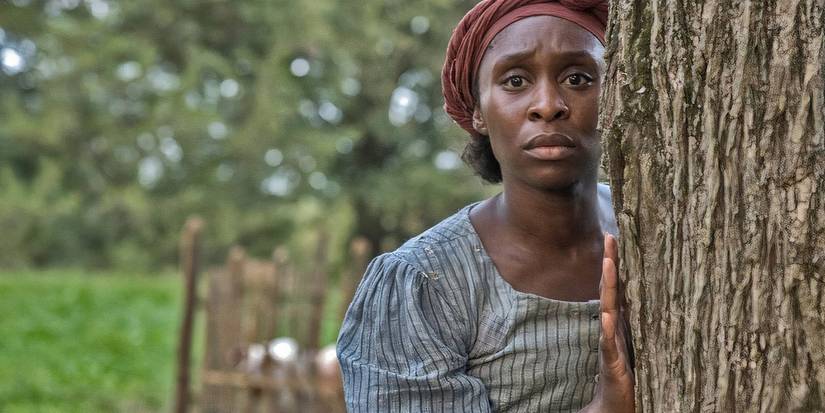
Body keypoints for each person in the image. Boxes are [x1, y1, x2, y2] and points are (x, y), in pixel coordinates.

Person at [337, 0, 634, 411]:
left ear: (615, 93)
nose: (548, 105)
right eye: (515, 81)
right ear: (477, 110)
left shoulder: (652, 228)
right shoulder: (425, 284)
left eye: (579, 78)